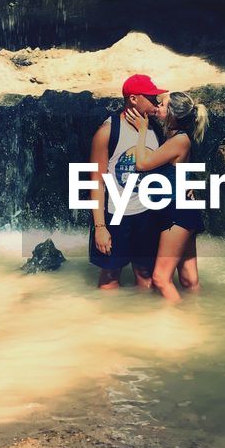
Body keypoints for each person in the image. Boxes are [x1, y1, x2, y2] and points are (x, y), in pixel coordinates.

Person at [124, 91, 209, 302]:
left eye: (162, 105)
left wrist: (141, 130)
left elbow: (142, 164)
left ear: (172, 114)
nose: (157, 107)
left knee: (161, 279)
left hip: (176, 211)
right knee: (189, 280)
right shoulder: (176, 136)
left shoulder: (179, 140)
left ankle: (174, 327)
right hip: (184, 208)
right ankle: (197, 316)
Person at [88, 73, 169, 291]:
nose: (157, 102)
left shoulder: (154, 129)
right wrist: (100, 227)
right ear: (133, 99)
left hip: (147, 214)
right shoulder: (107, 132)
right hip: (115, 215)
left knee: (146, 276)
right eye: (151, 98)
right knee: (109, 278)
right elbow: (96, 181)